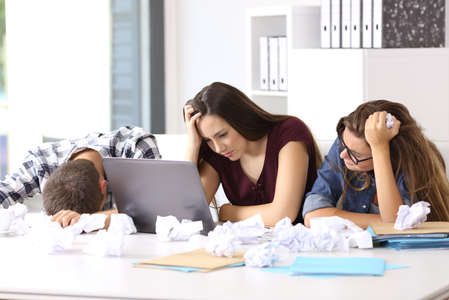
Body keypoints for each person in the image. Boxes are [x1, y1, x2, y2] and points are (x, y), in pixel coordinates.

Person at [183, 82, 322, 226]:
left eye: (223, 134)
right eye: (208, 140)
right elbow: (188, 214)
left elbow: (283, 215)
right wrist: (193, 145)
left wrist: (230, 212)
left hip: (299, 245)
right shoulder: (219, 154)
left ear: (241, 118)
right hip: (245, 246)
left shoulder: (288, 132)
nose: (218, 148)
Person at [302, 100, 449, 228]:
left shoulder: (413, 165)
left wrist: (380, 149)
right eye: (342, 145)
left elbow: (395, 226)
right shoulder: (347, 146)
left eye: (356, 155)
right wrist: (383, 222)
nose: (342, 155)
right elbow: (313, 216)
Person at [0, 126, 161, 227]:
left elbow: (157, 207)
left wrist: (89, 221)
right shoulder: (42, 162)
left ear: (103, 186)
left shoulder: (135, 147)